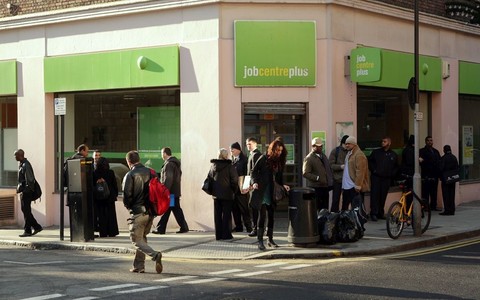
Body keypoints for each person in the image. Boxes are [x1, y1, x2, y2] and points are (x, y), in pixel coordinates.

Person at [122, 150, 163, 274]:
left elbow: (127, 196)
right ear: (138, 159)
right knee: (142, 238)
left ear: (128, 162)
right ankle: (139, 266)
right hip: (150, 212)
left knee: (136, 240)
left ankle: (155, 255)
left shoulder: (130, 175)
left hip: (138, 212)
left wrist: (130, 208)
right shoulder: (152, 172)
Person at [251, 138, 290, 250]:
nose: (279, 152)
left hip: (272, 192)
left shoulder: (279, 162)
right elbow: (253, 171)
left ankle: (270, 239)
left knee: (272, 215)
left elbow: (279, 178)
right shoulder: (263, 158)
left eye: (281, 150)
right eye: (277, 150)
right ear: (272, 149)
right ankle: (260, 241)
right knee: (262, 215)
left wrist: (283, 185)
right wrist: (254, 183)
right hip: (262, 190)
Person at [153, 147, 189, 234]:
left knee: (167, 209)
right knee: (175, 209)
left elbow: (168, 179)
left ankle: (160, 229)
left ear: (165, 154)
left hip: (170, 193)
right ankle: (184, 227)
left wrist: (164, 191)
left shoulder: (169, 164)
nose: (161, 155)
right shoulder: (175, 163)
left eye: (162, 153)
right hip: (174, 192)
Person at [208, 148, 239, 240]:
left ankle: (218, 235)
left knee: (217, 215)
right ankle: (226, 235)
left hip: (216, 195)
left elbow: (209, 179)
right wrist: (234, 190)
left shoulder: (213, 166)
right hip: (227, 194)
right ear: (226, 156)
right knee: (226, 215)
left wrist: (212, 191)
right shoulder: (230, 166)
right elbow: (234, 180)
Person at [368, 136, 399, 221]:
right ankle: (373, 213)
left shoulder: (393, 154)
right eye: (382, 141)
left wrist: (392, 174)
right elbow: (370, 162)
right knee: (375, 195)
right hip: (376, 177)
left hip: (386, 178)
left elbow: (396, 166)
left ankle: (380, 213)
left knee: (383, 196)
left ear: (389, 143)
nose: (382, 143)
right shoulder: (376, 152)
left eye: (384, 141)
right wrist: (374, 170)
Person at [15, 149, 43, 237]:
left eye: (15, 155)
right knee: (26, 210)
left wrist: (26, 190)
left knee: (26, 211)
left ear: (20, 155)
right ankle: (36, 227)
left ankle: (28, 230)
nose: (14, 157)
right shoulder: (22, 164)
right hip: (25, 191)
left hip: (27, 192)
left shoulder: (26, 165)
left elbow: (30, 180)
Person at [303, 137, 333, 212]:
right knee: (315, 209)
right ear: (313, 146)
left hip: (325, 187)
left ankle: (323, 223)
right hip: (315, 187)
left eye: (321, 146)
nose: (320, 147)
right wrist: (317, 178)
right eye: (318, 146)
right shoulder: (309, 158)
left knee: (325, 209)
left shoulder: (324, 156)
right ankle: (317, 223)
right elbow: (305, 173)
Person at [341, 136, 370, 211]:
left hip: (354, 187)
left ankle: (356, 223)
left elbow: (360, 171)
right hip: (346, 187)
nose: (347, 145)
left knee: (356, 210)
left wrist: (357, 185)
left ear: (354, 144)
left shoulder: (359, 154)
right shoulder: (349, 153)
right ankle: (346, 222)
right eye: (346, 144)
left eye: (349, 144)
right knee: (345, 208)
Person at [93, 156, 119, 237]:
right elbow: (115, 185)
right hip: (110, 197)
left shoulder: (95, 173)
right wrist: (115, 194)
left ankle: (103, 232)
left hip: (99, 197)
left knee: (101, 215)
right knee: (111, 215)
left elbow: (92, 185)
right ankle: (112, 231)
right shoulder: (110, 172)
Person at [230, 142, 253, 233]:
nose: (231, 151)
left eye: (232, 149)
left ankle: (249, 227)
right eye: (230, 149)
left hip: (242, 188)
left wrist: (246, 187)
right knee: (235, 208)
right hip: (234, 189)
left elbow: (248, 174)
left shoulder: (244, 160)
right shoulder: (232, 159)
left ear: (238, 150)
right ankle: (238, 226)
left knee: (244, 209)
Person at [244, 137, 263, 237]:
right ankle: (256, 228)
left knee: (254, 207)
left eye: (250, 144)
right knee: (252, 207)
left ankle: (256, 229)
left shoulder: (256, 155)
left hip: (255, 186)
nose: (248, 146)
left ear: (255, 144)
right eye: (247, 144)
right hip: (251, 185)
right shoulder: (251, 155)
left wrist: (251, 184)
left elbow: (253, 172)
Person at [419, 136, 442, 211]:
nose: (430, 142)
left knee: (434, 192)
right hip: (426, 175)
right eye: (428, 140)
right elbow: (421, 162)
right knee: (425, 192)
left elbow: (439, 162)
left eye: (431, 140)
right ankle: (425, 207)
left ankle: (433, 206)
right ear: (425, 141)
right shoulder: (422, 151)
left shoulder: (435, 151)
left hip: (434, 175)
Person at [328, 135, 349, 212]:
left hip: (347, 180)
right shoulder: (335, 151)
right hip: (337, 179)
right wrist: (340, 167)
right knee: (336, 200)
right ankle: (333, 217)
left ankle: (344, 216)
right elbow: (331, 165)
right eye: (346, 144)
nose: (347, 146)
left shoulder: (350, 152)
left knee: (346, 201)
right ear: (343, 143)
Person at [438, 145, 459, 216]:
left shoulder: (443, 158)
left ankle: (447, 210)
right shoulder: (454, 157)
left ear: (444, 150)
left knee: (446, 195)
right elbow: (457, 167)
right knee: (452, 194)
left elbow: (441, 169)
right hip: (453, 179)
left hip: (445, 179)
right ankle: (452, 210)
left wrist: (440, 177)